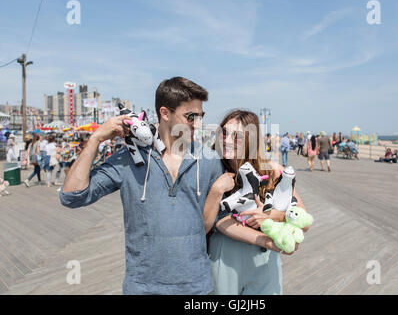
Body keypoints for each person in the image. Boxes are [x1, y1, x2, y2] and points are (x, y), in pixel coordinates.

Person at [60, 76, 223, 295]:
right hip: (143, 288)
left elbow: (228, 216)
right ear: (165, 113)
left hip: (197, 288)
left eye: (201, 116)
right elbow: (72, 196)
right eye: (190, 116)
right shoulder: (128, 158)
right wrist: (96, 139)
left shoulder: (210, 160)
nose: (198, 123)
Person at [204, 110, 310, 295]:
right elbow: (218, 220)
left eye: (237, 136)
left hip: (264, 261)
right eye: (224, 133)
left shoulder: (273, 172)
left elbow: (303, 218)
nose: (227, 140)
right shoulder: (214, 171)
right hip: (225, 256)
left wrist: (272, 215)